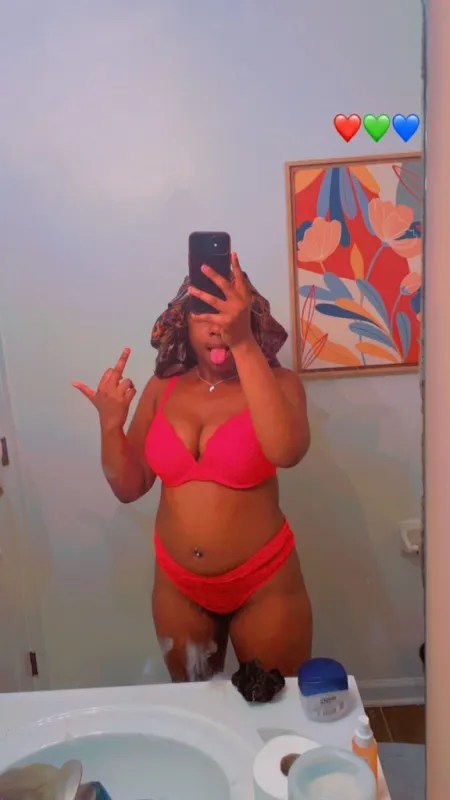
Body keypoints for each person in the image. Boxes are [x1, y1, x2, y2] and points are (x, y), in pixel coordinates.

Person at [73, 254, 312, 681]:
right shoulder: (161, 389)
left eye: (227, 314)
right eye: (204, 315)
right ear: (184, 322)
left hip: (264, 583)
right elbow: (129, 486)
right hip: (178, 587)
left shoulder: (281, 384)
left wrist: (243, 343)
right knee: (193, 707)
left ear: (249, 318)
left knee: (275, 704)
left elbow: (286, 452)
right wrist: (110, 426)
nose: (216, 327)